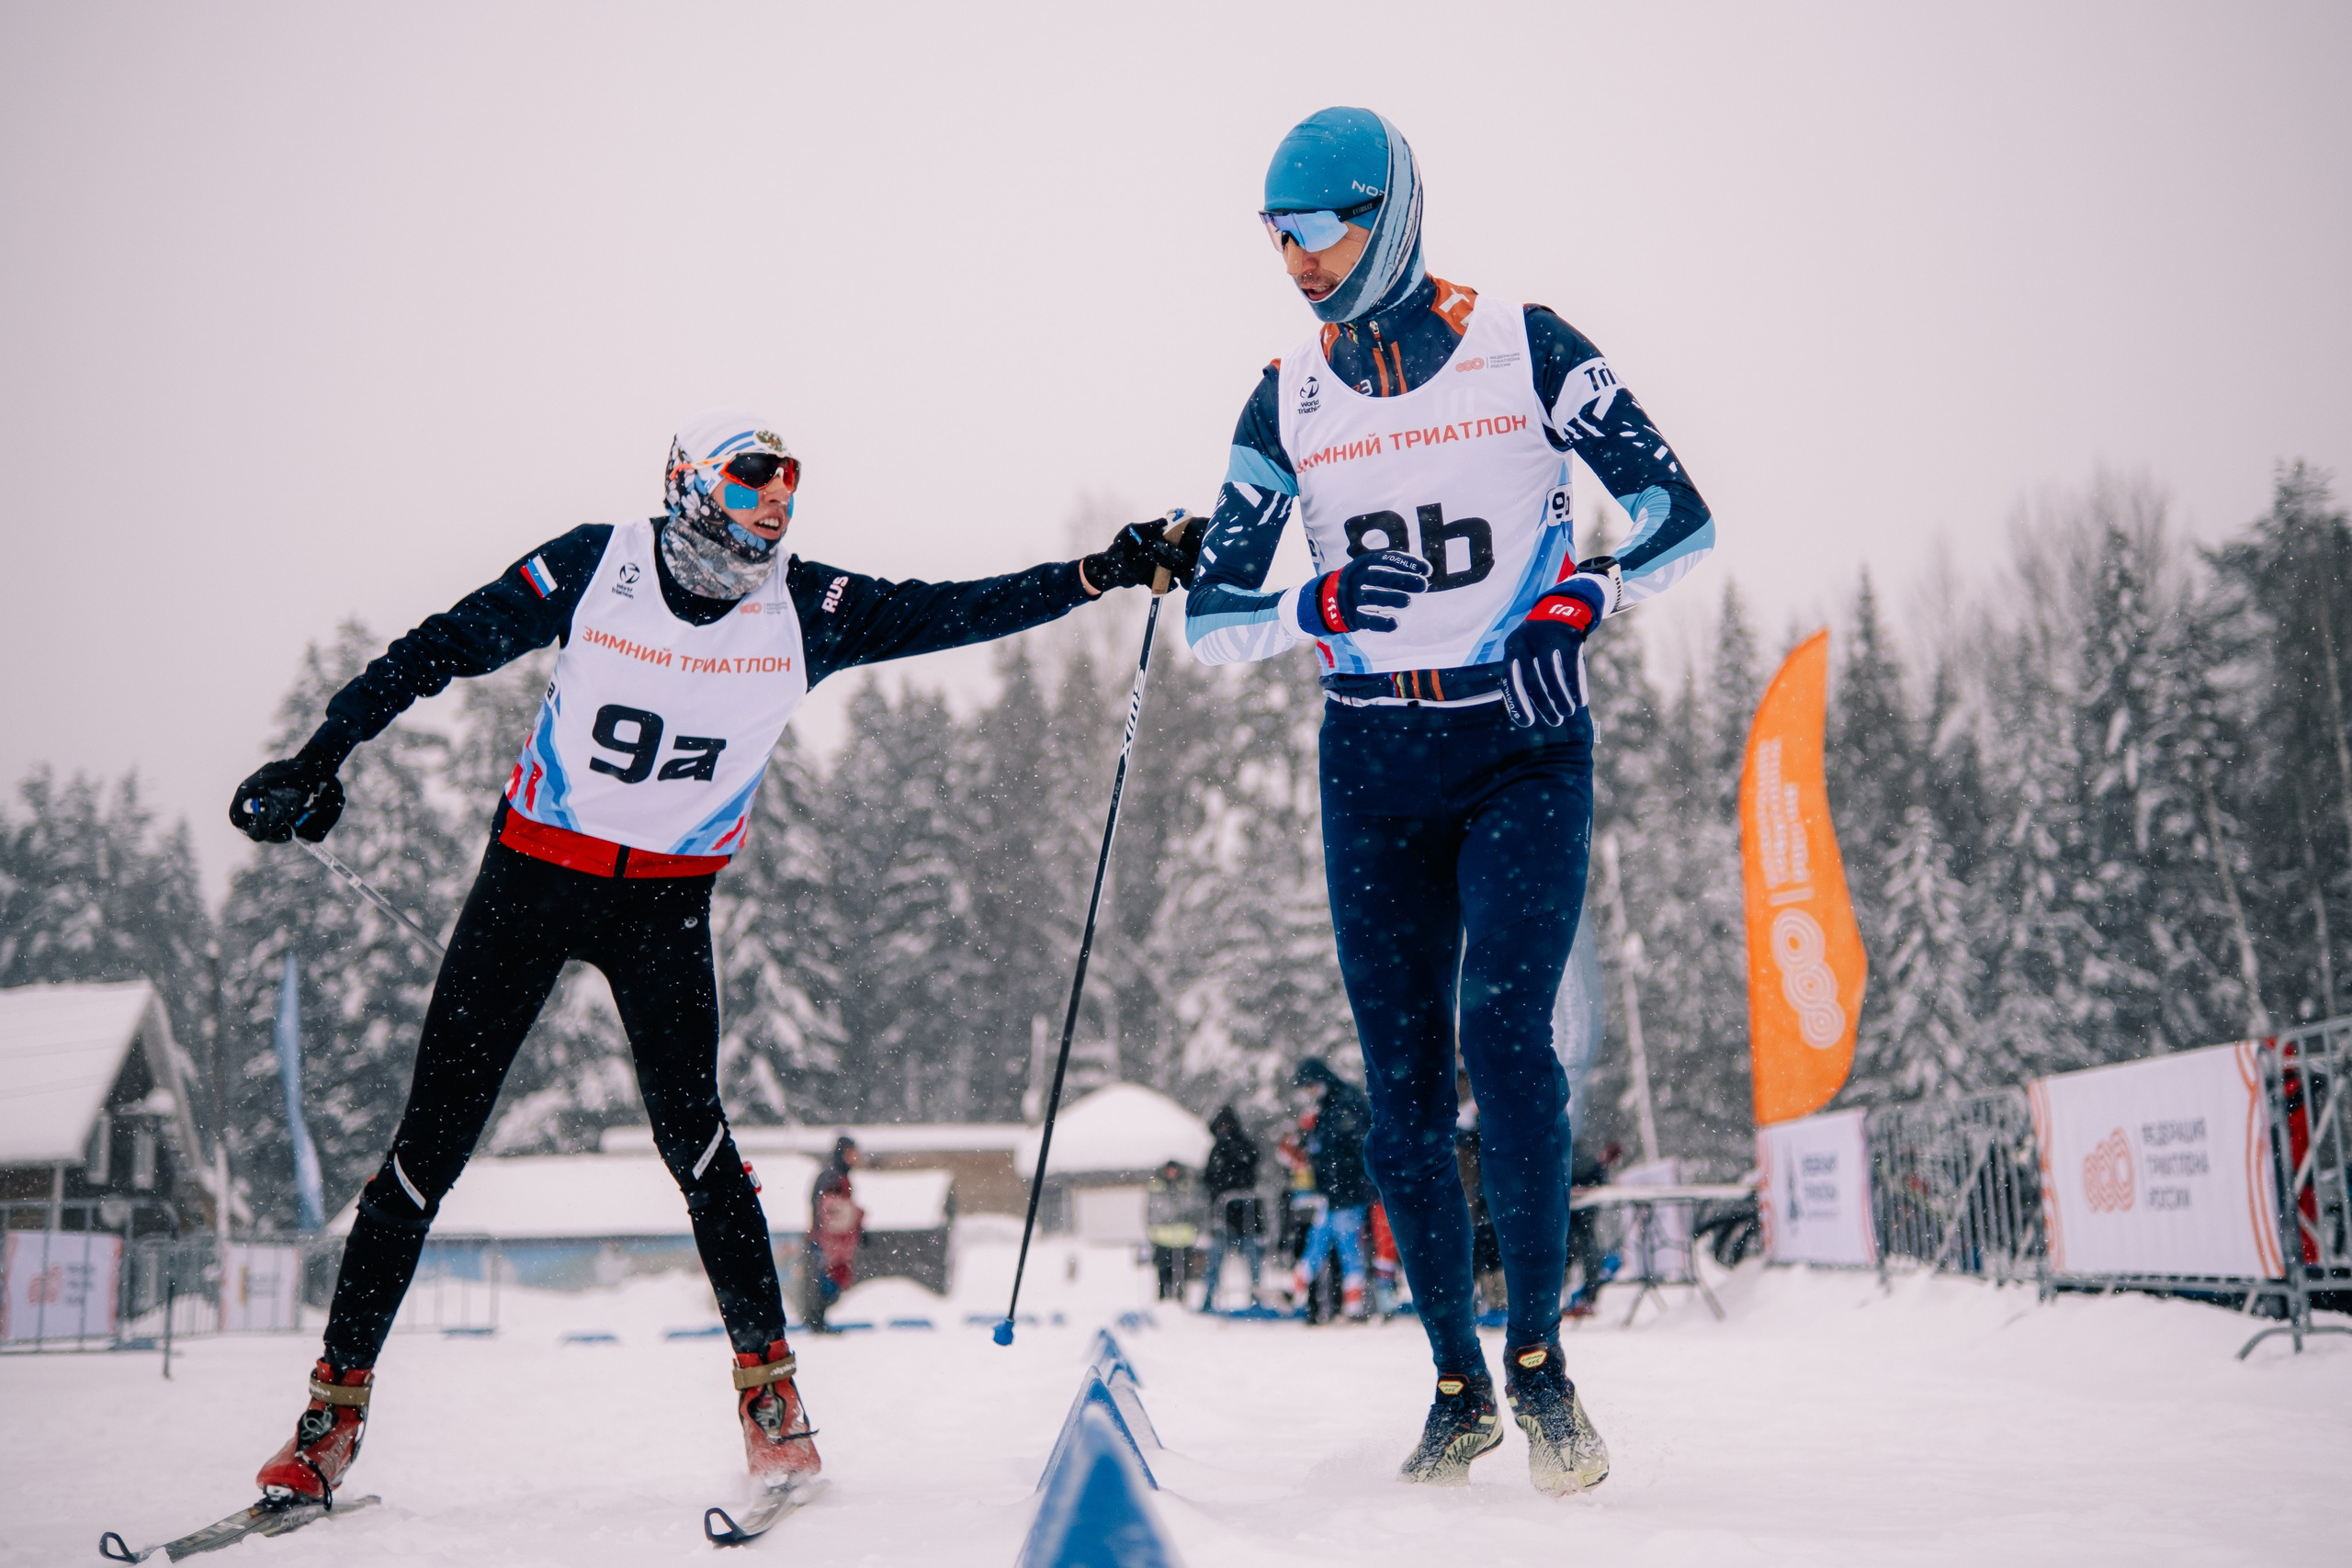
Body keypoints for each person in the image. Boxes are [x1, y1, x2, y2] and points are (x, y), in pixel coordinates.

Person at [226, 409, 1201, 1507]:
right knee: (425, 1152)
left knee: (697, 1144)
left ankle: (771, 1400)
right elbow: (437, 647)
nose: (778, 500)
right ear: (690, 482)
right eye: (752, 479)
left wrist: (1104, 571)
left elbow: (961, 609)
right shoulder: (599, 566)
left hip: (666, 907)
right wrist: (319, 754)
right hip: (530, 883)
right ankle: (330, 1416)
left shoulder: (810, 608)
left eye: (790, 483)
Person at [1183, 108, 1714, 1495]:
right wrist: (1316, 598)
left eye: (1322, 229)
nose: (1298, 261)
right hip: (1371, 762)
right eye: (1276, 236)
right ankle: (1455, 1385)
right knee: (1399, 1087)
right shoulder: (1283, 395)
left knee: (1506, 1036)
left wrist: (1580, 593)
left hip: (1520, 746)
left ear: (1393, 215)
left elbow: (1679, 514)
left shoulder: (1528, 344)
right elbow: (1216, 615)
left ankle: (1540, 1363)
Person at [1288, 1058, 1374, 1322]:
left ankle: (1353, 1303)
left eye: (1311, 1086)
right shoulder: (1330, 1105)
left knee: (1347, 1247)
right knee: (1319, 1241)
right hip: (1333, 1191)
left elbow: (1349, 1147)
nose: (1310, 1092)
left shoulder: (1345, 1103)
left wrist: (1322, 1157)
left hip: (1348, 1191)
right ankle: (1297, 1290)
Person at [1199, 1105, 1264, 1312]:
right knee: (1216, 1260)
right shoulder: (1216, 1151)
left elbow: (1250, 1164)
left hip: (1247, 1215)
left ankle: (1257, 1297)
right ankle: (1209, 1297)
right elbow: (1210, 1180)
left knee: (1253, 1261)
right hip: (1224, 1216)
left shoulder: (1243, 1147)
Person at [803, 1135, 865, 1333]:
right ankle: (816, 1321)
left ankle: (817, 1320)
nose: (855, 1157)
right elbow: (829, 1209)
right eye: (851, 1153)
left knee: (832, 1280)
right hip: (830, 1242)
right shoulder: (833, 1176)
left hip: (834, 1242)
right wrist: (855, 1216)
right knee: (829, 1281)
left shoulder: (835, 1175)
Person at [1145, 1160, 1200, 1302]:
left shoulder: (1186, 1187)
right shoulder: (1157, 1187)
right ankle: (1164, 1298)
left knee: (1182, 1272)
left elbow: (1194, 1209)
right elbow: (1151, 1212)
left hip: (1183, 1238)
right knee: (1164, 1271)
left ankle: (1180, 1298)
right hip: (1163, 1238)